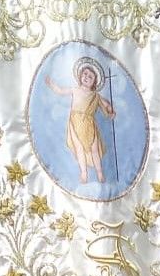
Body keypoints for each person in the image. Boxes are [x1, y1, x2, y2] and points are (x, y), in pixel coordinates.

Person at [46, 58, 114, 186]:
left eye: (90, 76)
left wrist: (110, 110)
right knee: (79, 149)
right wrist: (52, 85)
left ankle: (100, 172)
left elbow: (106, 105)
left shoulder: (95, 95)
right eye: (85, 74)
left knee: (94, 150)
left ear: (94, 82)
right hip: (75, 122)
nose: (86, 77)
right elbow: (60, 91)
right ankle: (84, 173)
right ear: (80, 75)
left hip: (89, 124)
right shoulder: (75, 90)